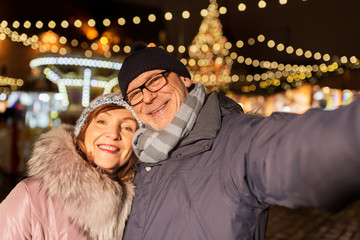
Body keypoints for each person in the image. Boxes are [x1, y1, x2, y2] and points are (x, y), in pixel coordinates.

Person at [117, 41, 360, 240]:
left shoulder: (237, 141)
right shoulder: (135, 158)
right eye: (135, 93)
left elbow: (311, 147)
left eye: (155, 80)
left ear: (184, 79)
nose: (147, 97)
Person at [0, 93, 142, 239]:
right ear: (83, 130)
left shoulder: (141, 207)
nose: (113, 134)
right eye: (102, 121)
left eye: (127, 128)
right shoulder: (31, 196)